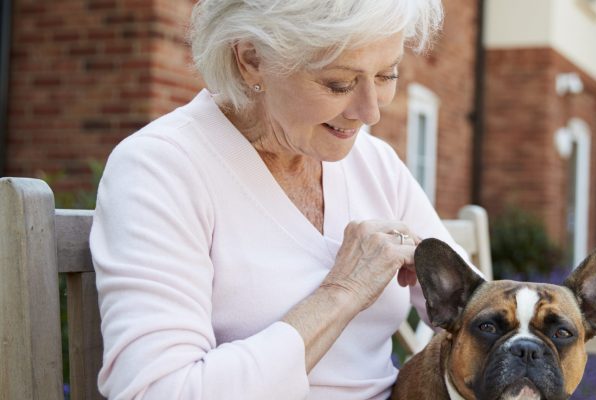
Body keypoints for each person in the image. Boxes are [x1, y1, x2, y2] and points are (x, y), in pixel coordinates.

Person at [89, 1, 462, 398]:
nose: (370, 112)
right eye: (339, 83)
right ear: (251, 58)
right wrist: (343, 292)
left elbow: (482, 312)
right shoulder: (162, 168)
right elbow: (158, 391)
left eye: (387, 75)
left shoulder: (376, 165)